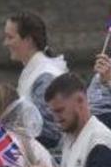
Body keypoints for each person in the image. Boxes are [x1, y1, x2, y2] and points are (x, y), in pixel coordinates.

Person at [5, 11, 67, 152]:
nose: (6, 43)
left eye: (10, 37)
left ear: (28, 40)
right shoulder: (32, 71)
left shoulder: (45, 76)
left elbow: (49, 133)